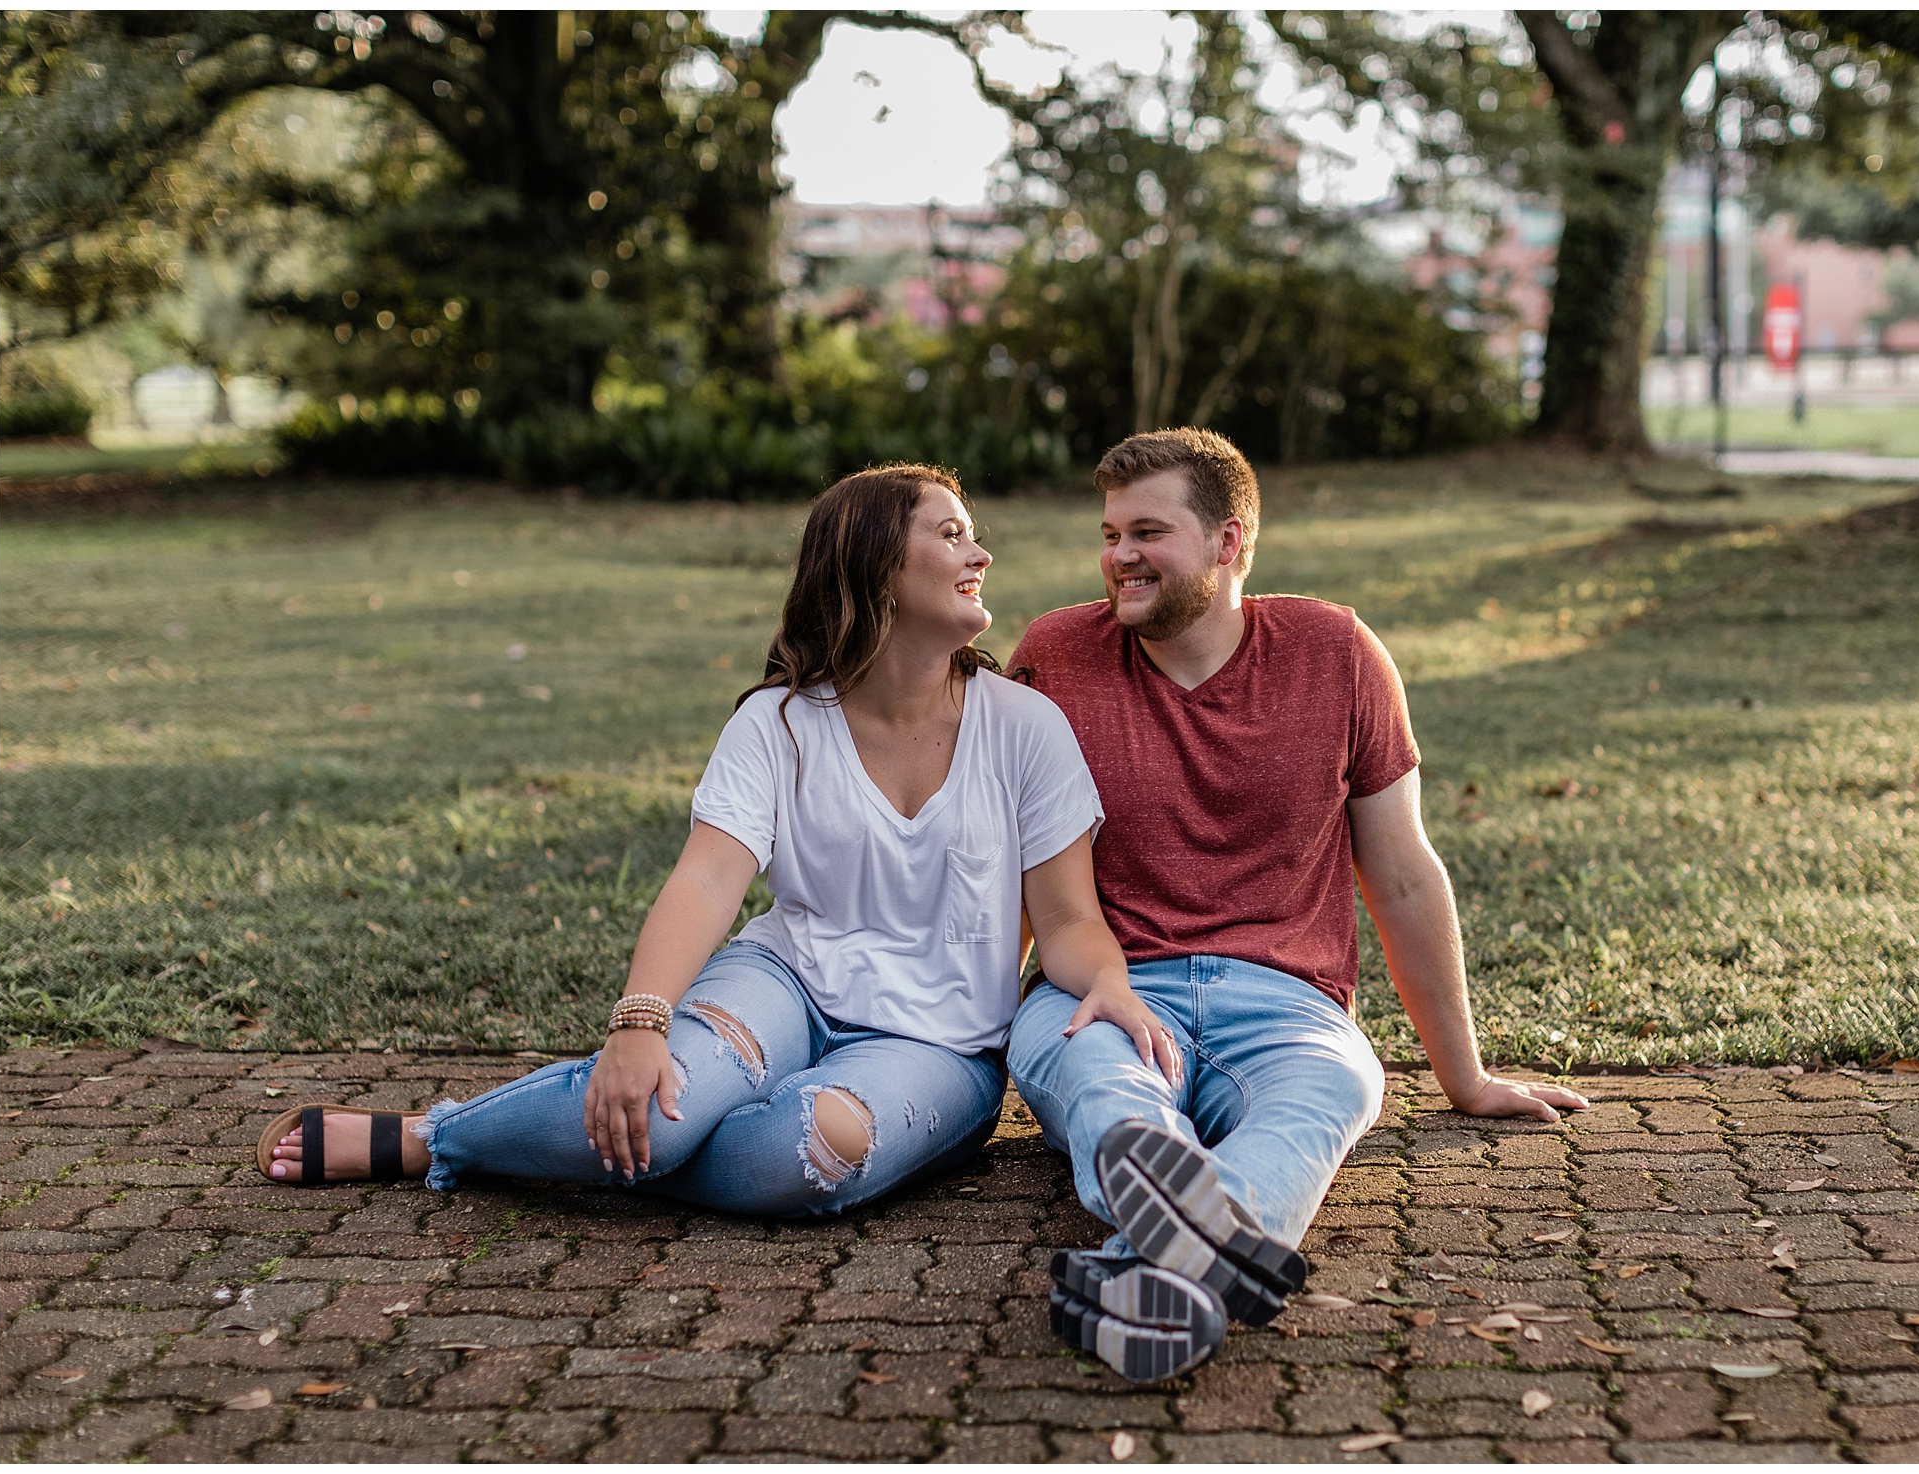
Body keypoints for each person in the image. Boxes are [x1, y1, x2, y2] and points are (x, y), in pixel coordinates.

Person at [257, 468, 1209, 1337]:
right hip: (783, 983)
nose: (980, 553)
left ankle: (597, 1153)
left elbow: (1072, 919)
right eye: (952, 534)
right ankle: (435, 1138)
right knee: (660, 1108)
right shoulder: (782, 721)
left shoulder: (1026, 728)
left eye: (972, 534)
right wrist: (641, 1020)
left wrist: (1113, 987)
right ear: (878, 567)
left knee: (810, 1147)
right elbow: (709, 878)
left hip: (942, 1045)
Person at [1006, 428, 1592, 1381]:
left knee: (1333, 1088)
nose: (1118, 557)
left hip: (1283, 1001)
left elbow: (1400, 872)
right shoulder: (1055, 656)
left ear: (1230, 542)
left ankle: (1151, 1264)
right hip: (1099, 988)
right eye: (1109, 534)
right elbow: (1003, 862)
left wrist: (1466, 1079)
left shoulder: (1336, 653)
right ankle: (1179, 1236)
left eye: (1147, 532)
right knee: (1111, 1093)